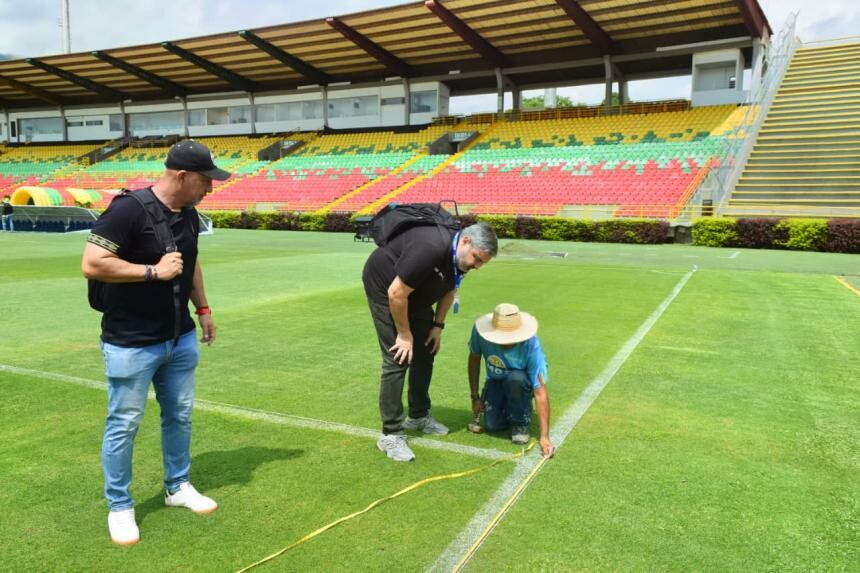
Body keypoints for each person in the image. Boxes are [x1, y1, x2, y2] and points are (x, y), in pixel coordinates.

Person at [81, 140, 229, 545]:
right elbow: (92, 263)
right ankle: (120, 506)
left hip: (179, 338)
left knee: (179, 416)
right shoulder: (127, 210)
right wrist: (152, 272)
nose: (210, 189)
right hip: (131, 342)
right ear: (181, 176)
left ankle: (177, 487)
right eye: (205, 180)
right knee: (124, 424)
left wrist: (203, 309)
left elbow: (191, 260)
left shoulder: (189, 213)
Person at [363, 221, 498, 462]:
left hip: (415, 293)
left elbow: (450, 289)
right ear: (465, 241)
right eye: (477, 259)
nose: (476, 266)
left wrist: (437, 326)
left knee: (426, 349)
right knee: (398, 357)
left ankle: (418, 415)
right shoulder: (430, 248)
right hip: (387, 289)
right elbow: (396, 293)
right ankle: (390, 434)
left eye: (482, 263)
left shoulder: (460, 258)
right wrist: (404, 336)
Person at [468, 303, 555, 458]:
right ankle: (510, 408)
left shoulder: (532, 346)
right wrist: (475, 397)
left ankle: (520, 423)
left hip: (519, 383)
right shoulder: (479, 334)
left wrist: (544, 437)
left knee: (515, 379)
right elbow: (474, 359)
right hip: (495, 381)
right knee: (491, 425)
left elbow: (540, 392)